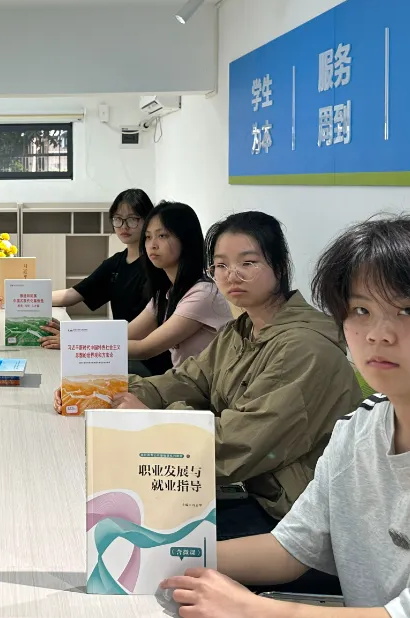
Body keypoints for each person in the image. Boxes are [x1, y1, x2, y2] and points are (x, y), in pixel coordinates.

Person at [163, 215, 410, 617]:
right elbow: (291, 548)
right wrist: (165, 554)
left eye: (408, 310)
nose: (378, 333)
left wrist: (251, 609)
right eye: (361, 310)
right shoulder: (361, 424)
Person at [54, 211, 361, 544]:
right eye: (221, 265)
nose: (232, 275)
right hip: (247, 485)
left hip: (289, 514)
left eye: (248, 263)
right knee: (99, 501)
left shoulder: (303, 349)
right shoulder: (240, 330)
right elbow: (188, 380)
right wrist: (106, 391)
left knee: (119, 532)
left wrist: (150, 420)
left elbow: (236, 444)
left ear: (280, 266)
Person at [37, 189, 154, 350]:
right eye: (118, 219)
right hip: (118, 345)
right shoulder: (115, 263)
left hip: (138, 351)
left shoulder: (156, 266)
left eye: (132, 219)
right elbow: (73, 293)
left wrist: (75, 338)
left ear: (149, 220)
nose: (124, 226)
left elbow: (143, 331)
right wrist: (21, 300)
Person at [126, 201, 231, 376]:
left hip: (206, 389)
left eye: (162, 236)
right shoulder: (167, 293)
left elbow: (145, 349)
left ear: (186, 239)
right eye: (148, 237)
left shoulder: (203, 294)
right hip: (183, 381)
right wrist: (81, 339)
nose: (152, 245)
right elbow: (125, 334)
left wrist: (84, 347)